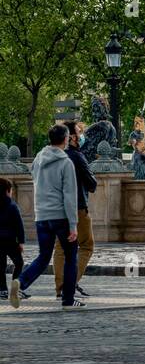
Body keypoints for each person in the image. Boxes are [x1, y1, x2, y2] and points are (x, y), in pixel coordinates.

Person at [10, 123, 83, 311]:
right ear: (65, 139)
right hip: (61, 216)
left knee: (43, 256)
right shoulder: (66, 163)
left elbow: (34, 178)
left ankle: (21, 282)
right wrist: (73, 224)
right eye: (68, 137)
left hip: (41, 216)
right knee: (70, 257)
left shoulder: (39, 159)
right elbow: (69, 195)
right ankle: (68, 299)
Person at [52, 118, 97, 300]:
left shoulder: (56, 155)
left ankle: (60, 287)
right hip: (78, 207)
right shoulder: (77, 156)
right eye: (79, 132)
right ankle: (70, 284)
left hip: (57, 208)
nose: (81, 136)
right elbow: (91, 183)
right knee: (86, 245)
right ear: (71, 137)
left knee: (60, 248)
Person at [0, 177, 26, 302]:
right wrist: (21, 241)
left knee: (0, 266)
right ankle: (16, 288)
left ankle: (2, 290)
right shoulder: (12, 205)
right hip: (10, 240)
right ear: (7, 191)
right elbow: (18, 225)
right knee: (19, 263)